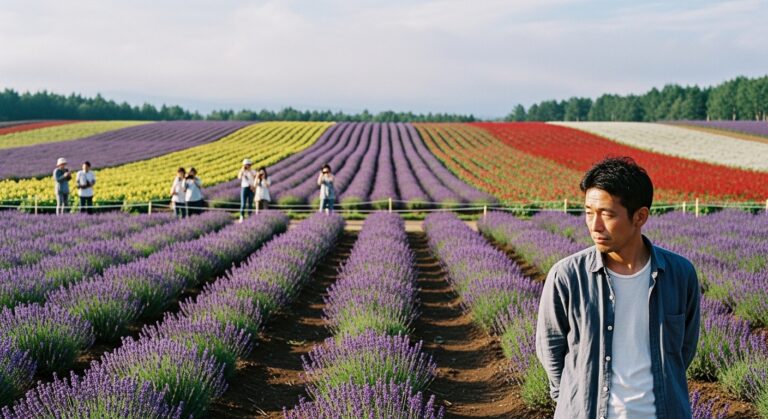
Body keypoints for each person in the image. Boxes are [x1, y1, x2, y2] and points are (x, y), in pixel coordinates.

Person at [535, 156, 700, 419]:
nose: (594, 225)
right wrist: (574, 398)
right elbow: (550, 350)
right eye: (589, 212)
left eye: (607, 214)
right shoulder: (567, 276)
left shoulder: (680, 275)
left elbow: (683, 351)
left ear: (640, 216)